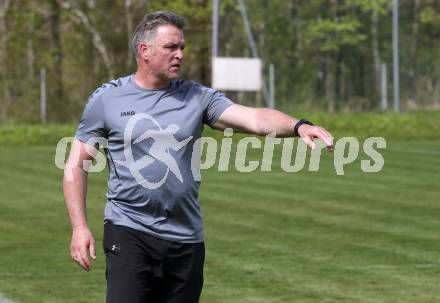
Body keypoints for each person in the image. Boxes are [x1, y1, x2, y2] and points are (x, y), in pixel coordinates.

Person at [63, 10, 334, 303]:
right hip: (129, 230)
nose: (180, 54)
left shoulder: (197, 97)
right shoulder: (107, 99)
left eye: (182, 48)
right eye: (171, 47)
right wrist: (79, 227)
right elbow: (76, 164)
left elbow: (254, 119)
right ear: (145, 51)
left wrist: (298, 125)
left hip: (185, 238)